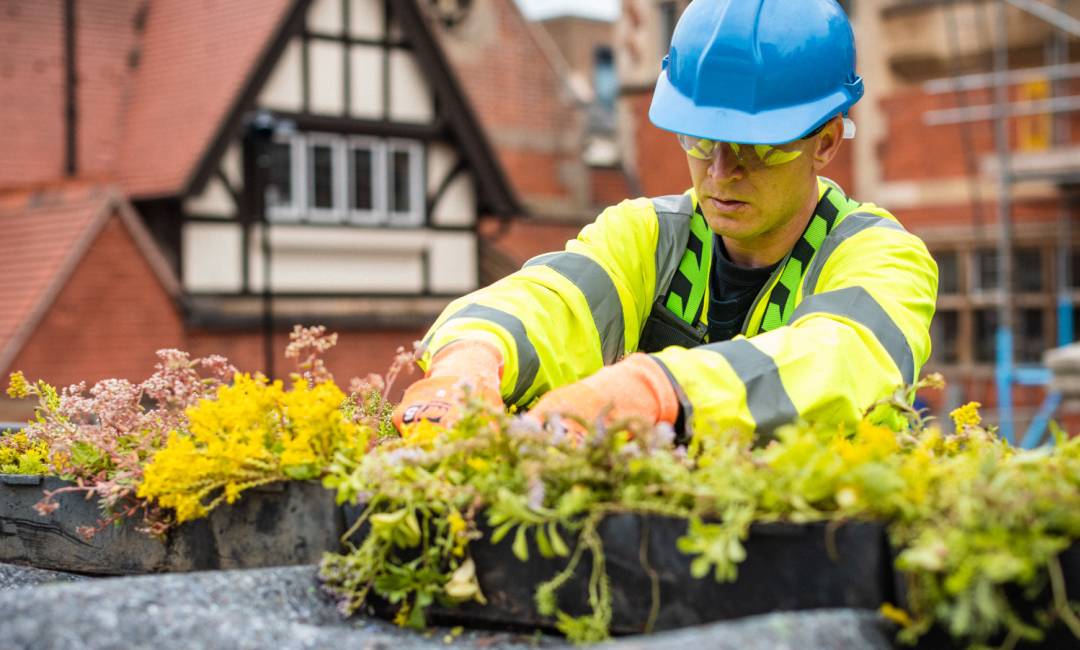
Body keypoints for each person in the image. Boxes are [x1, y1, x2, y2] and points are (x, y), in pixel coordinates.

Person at [392, 0, 938, 442]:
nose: (722, 172)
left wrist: (657, 388)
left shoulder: (883, 257)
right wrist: (471, 358)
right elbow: (553, 298)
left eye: (759, 147)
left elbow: (840, 361)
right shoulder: (647, 235)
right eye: (700, 140)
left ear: (824, 143)